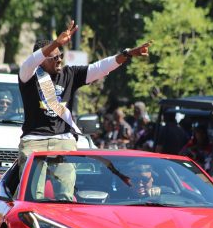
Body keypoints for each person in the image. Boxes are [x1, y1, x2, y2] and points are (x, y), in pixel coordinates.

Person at [18, 20, 151, 200]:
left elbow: (100, 68)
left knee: (65, 195)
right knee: (32, 196)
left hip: (62, 140)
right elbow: (31, 60)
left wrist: (127, 54)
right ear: (42, 61)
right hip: (34, 141)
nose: (59, 59)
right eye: (54, 56)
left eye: (61, 55)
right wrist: (57, 42)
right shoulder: (28, 75)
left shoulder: (69, 74)